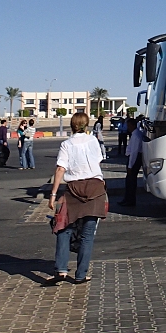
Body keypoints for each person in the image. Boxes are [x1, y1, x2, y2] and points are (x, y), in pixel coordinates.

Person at [47, 112, 106, 285]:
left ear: (72, 126)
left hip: (73, 189)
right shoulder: (93, 140)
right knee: (87, 234)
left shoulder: (66, 144)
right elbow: (98, 161)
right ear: (86, 125)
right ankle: (81, 275)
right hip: (95, 188)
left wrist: (53, 195)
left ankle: (61, 269)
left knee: (64, 228)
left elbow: (60, 169)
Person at [119, 116, 146, 207]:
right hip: (133, 157)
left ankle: (130, 200)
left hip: (134, 159)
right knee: (129, 181)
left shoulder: (136, 136)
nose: (128, 127)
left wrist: (130, 165)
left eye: (129, 125)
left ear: (132, 125)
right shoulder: (136, 134)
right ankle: (127, 198)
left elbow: (134, 152)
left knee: (131, 181)